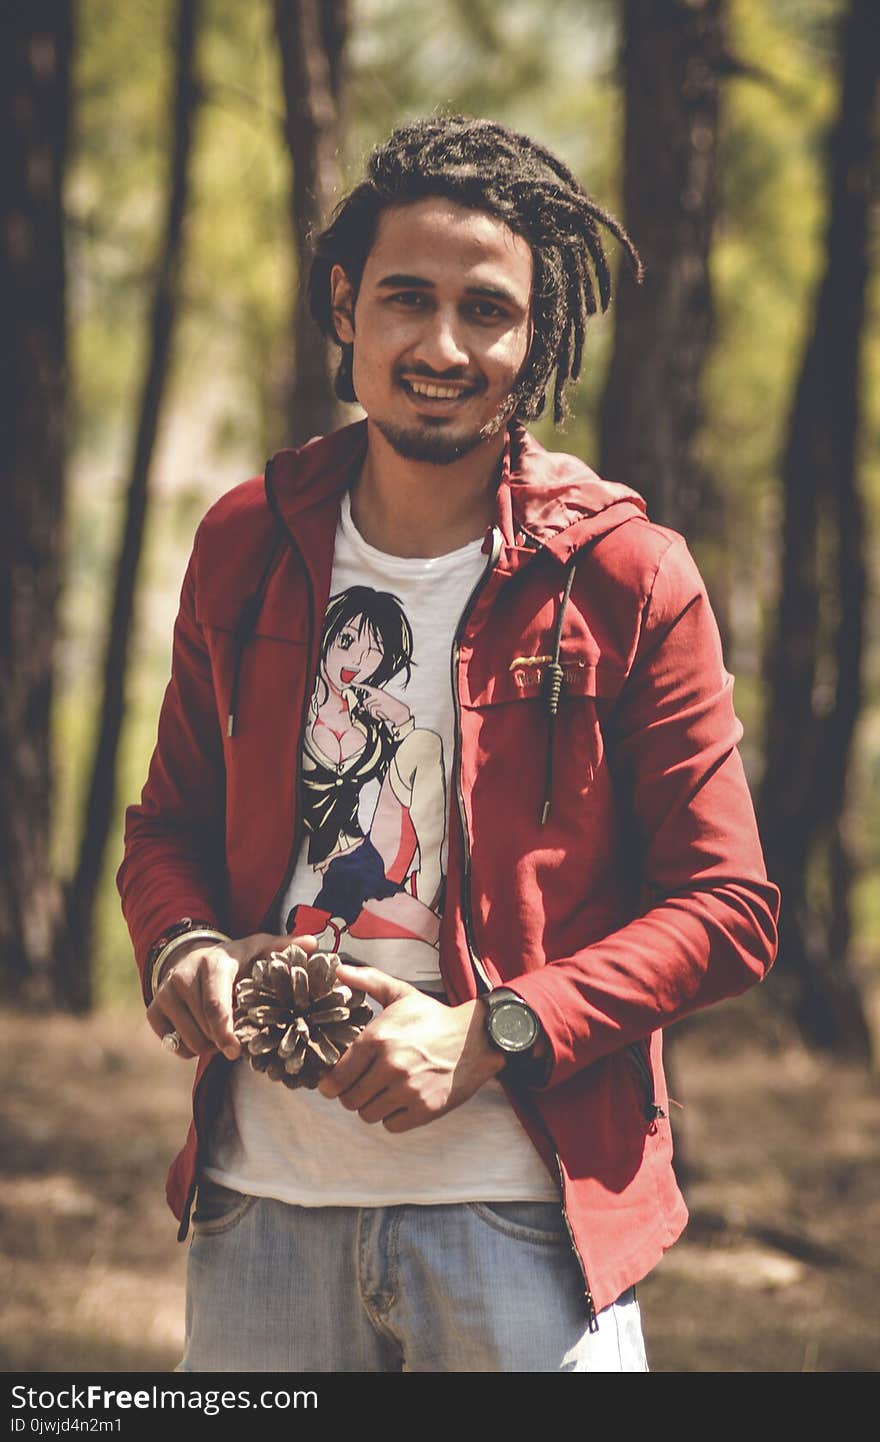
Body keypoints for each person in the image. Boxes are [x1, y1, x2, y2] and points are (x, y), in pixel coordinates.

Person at [118, 115, 779, 1373]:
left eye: (487, 310)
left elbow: (727, 904)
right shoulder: (245, 541)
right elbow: (166, 828)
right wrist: (187, 943)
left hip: (521, 1221)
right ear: (343, 304)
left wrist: (491, 1032)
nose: (441, 345)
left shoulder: (629, 575)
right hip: (260, 1213)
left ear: (533, 340)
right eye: (406, 298)